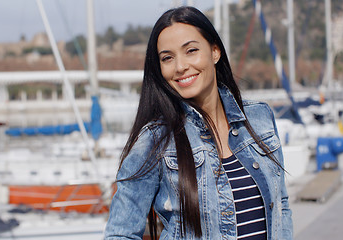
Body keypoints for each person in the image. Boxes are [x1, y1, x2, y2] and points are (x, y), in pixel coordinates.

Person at [104, 6, 293, 240]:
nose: (180, 66)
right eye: (167, 58)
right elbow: (119, 234)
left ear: (215, 51)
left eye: (191, 50)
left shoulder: (259, 118)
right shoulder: (155, 140)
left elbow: (280, 204)